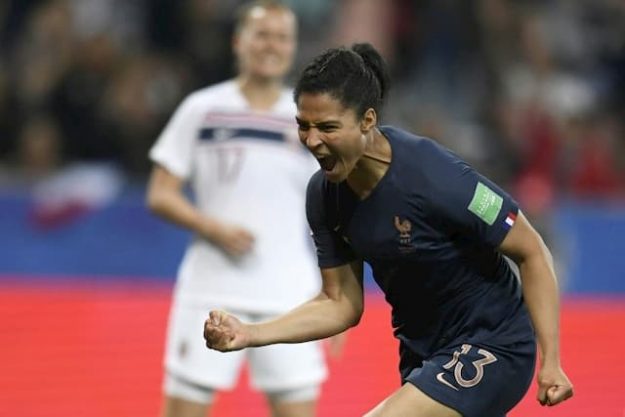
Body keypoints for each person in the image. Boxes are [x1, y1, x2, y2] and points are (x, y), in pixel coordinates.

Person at [204, 42, 574, 417]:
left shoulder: (437, 178)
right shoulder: (325, 196)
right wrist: (250, 333)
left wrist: (552, 360)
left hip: (493, 345)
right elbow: (340, 304)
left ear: (367, 121)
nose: (312, 141)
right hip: (423, 357)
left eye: (328, 127)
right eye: (304, 125)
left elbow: (531, 250)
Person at [147, 2, 343, 417]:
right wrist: (211, 227)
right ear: (239, 41)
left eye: (281, 36)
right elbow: (160, 193)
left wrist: (338, 296)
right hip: (211, 289)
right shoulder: (202, 108)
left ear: (293, 47)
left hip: (291, 293)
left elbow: (338, 208)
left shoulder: (309, 118)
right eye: (262, 34)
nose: (271, 45)